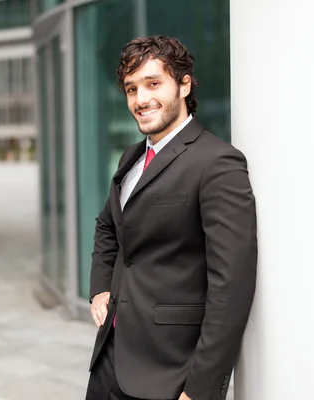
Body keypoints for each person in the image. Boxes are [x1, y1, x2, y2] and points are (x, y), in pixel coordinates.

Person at [85, 35, 258, 400]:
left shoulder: (217, 162)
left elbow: (232, 286)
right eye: (131, 89)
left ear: (184, 85)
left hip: (170, 374)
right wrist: (101, 287)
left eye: (152, 84)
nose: (141, 99)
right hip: (110, 358)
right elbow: (109, 226)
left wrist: (200, 389)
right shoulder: (130, 158)